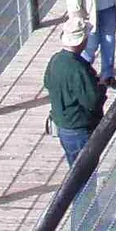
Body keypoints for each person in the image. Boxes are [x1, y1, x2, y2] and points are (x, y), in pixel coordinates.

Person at [43, 24, 103, 166]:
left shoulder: (55, 60)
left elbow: (47, 83)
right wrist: (101, 88)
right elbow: (92, 101)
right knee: (85, 175)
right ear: (82, 41)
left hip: (63, 125)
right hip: (79, 127)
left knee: (74, 169)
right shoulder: (78, 68)